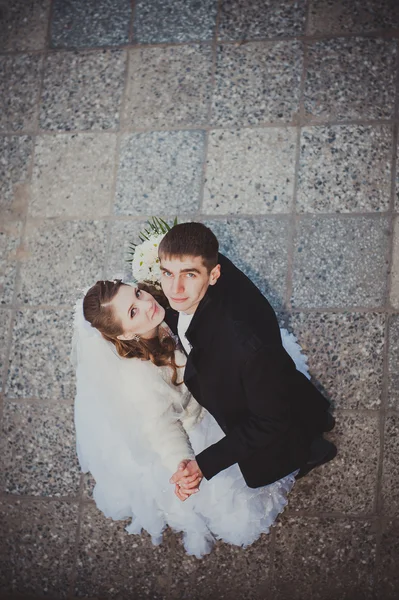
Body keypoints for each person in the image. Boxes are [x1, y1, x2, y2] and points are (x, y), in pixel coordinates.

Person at [72, 279, 313, 557]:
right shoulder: (140, 379)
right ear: (125, 336)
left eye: (138, 294)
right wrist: (184, 464)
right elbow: (161, 427)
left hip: (221, 382)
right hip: (202, 416)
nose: (147, 303)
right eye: (133, 312)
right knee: (256, 441)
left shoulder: (162, 307)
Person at [158, 223, 337, 497]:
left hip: (267, 416)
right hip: (270, 381)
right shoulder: (208, 267)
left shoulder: (245, 348)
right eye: (167, 273)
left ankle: (313, 452)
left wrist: (204, 465)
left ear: (214, 274)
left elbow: (269, 421)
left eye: (189, 274)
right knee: (293, 401)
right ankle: (317, 419)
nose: (175, 288)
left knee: (290, 441)